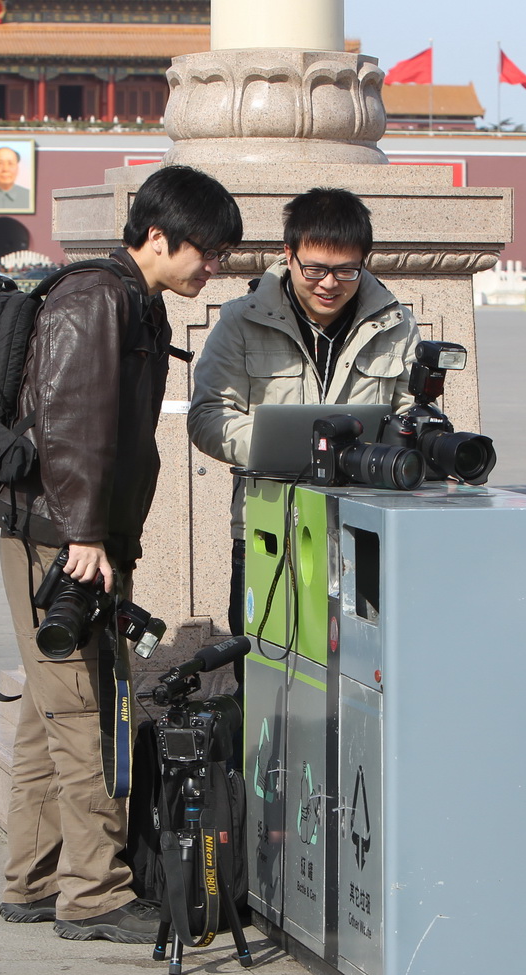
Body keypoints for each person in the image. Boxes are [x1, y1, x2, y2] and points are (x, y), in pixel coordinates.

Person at [0, 164, 243, 943]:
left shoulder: (135, 299)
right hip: (64, 541)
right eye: (208, 251)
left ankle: (33, 877)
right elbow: (71, 422)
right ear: (157, 236)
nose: (215, 268)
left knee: (46, 706)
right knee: (84, 711)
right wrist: (85, 537)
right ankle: (93, 893)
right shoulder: (96, 298)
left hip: (74, 535)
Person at [187, 187, 420, 689]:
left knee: (357, 677)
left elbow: (408, 415)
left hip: (361, 529)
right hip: (267, 528)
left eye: (346, 270)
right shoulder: (241, 320)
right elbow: (207, 417)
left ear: (365, 263)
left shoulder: (395, 324)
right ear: (287, 255)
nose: (330, 284)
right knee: (265, 677)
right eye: (314, 269)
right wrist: (285, 446)